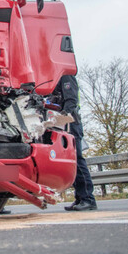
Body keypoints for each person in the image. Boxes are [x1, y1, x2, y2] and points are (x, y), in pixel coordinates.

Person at [52, 74, 98, 211]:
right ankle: (80, 198)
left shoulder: (65, 76)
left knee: (77, 160)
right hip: (62, 123)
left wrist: (62, 117)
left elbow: (71, 101)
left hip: (70, 122)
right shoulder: (54, 78)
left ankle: (88, 199)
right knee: (71, 163)